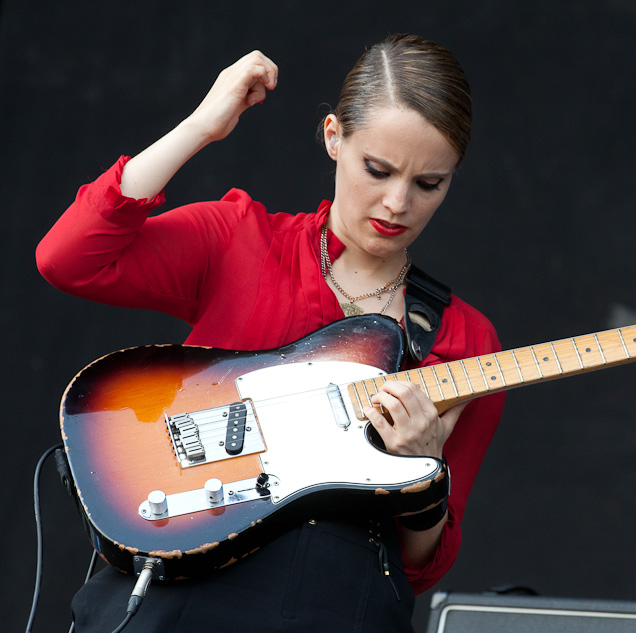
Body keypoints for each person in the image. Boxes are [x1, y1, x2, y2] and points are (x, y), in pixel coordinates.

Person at [36, 34, 505, 632]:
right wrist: (201, 126)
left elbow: (417, 566)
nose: (397, 203)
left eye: (429, 183)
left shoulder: (465, 340)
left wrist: (424, 466)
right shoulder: (240, 239)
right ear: (334, 137)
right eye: (378, 169)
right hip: (177, 602)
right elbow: (69, 259)